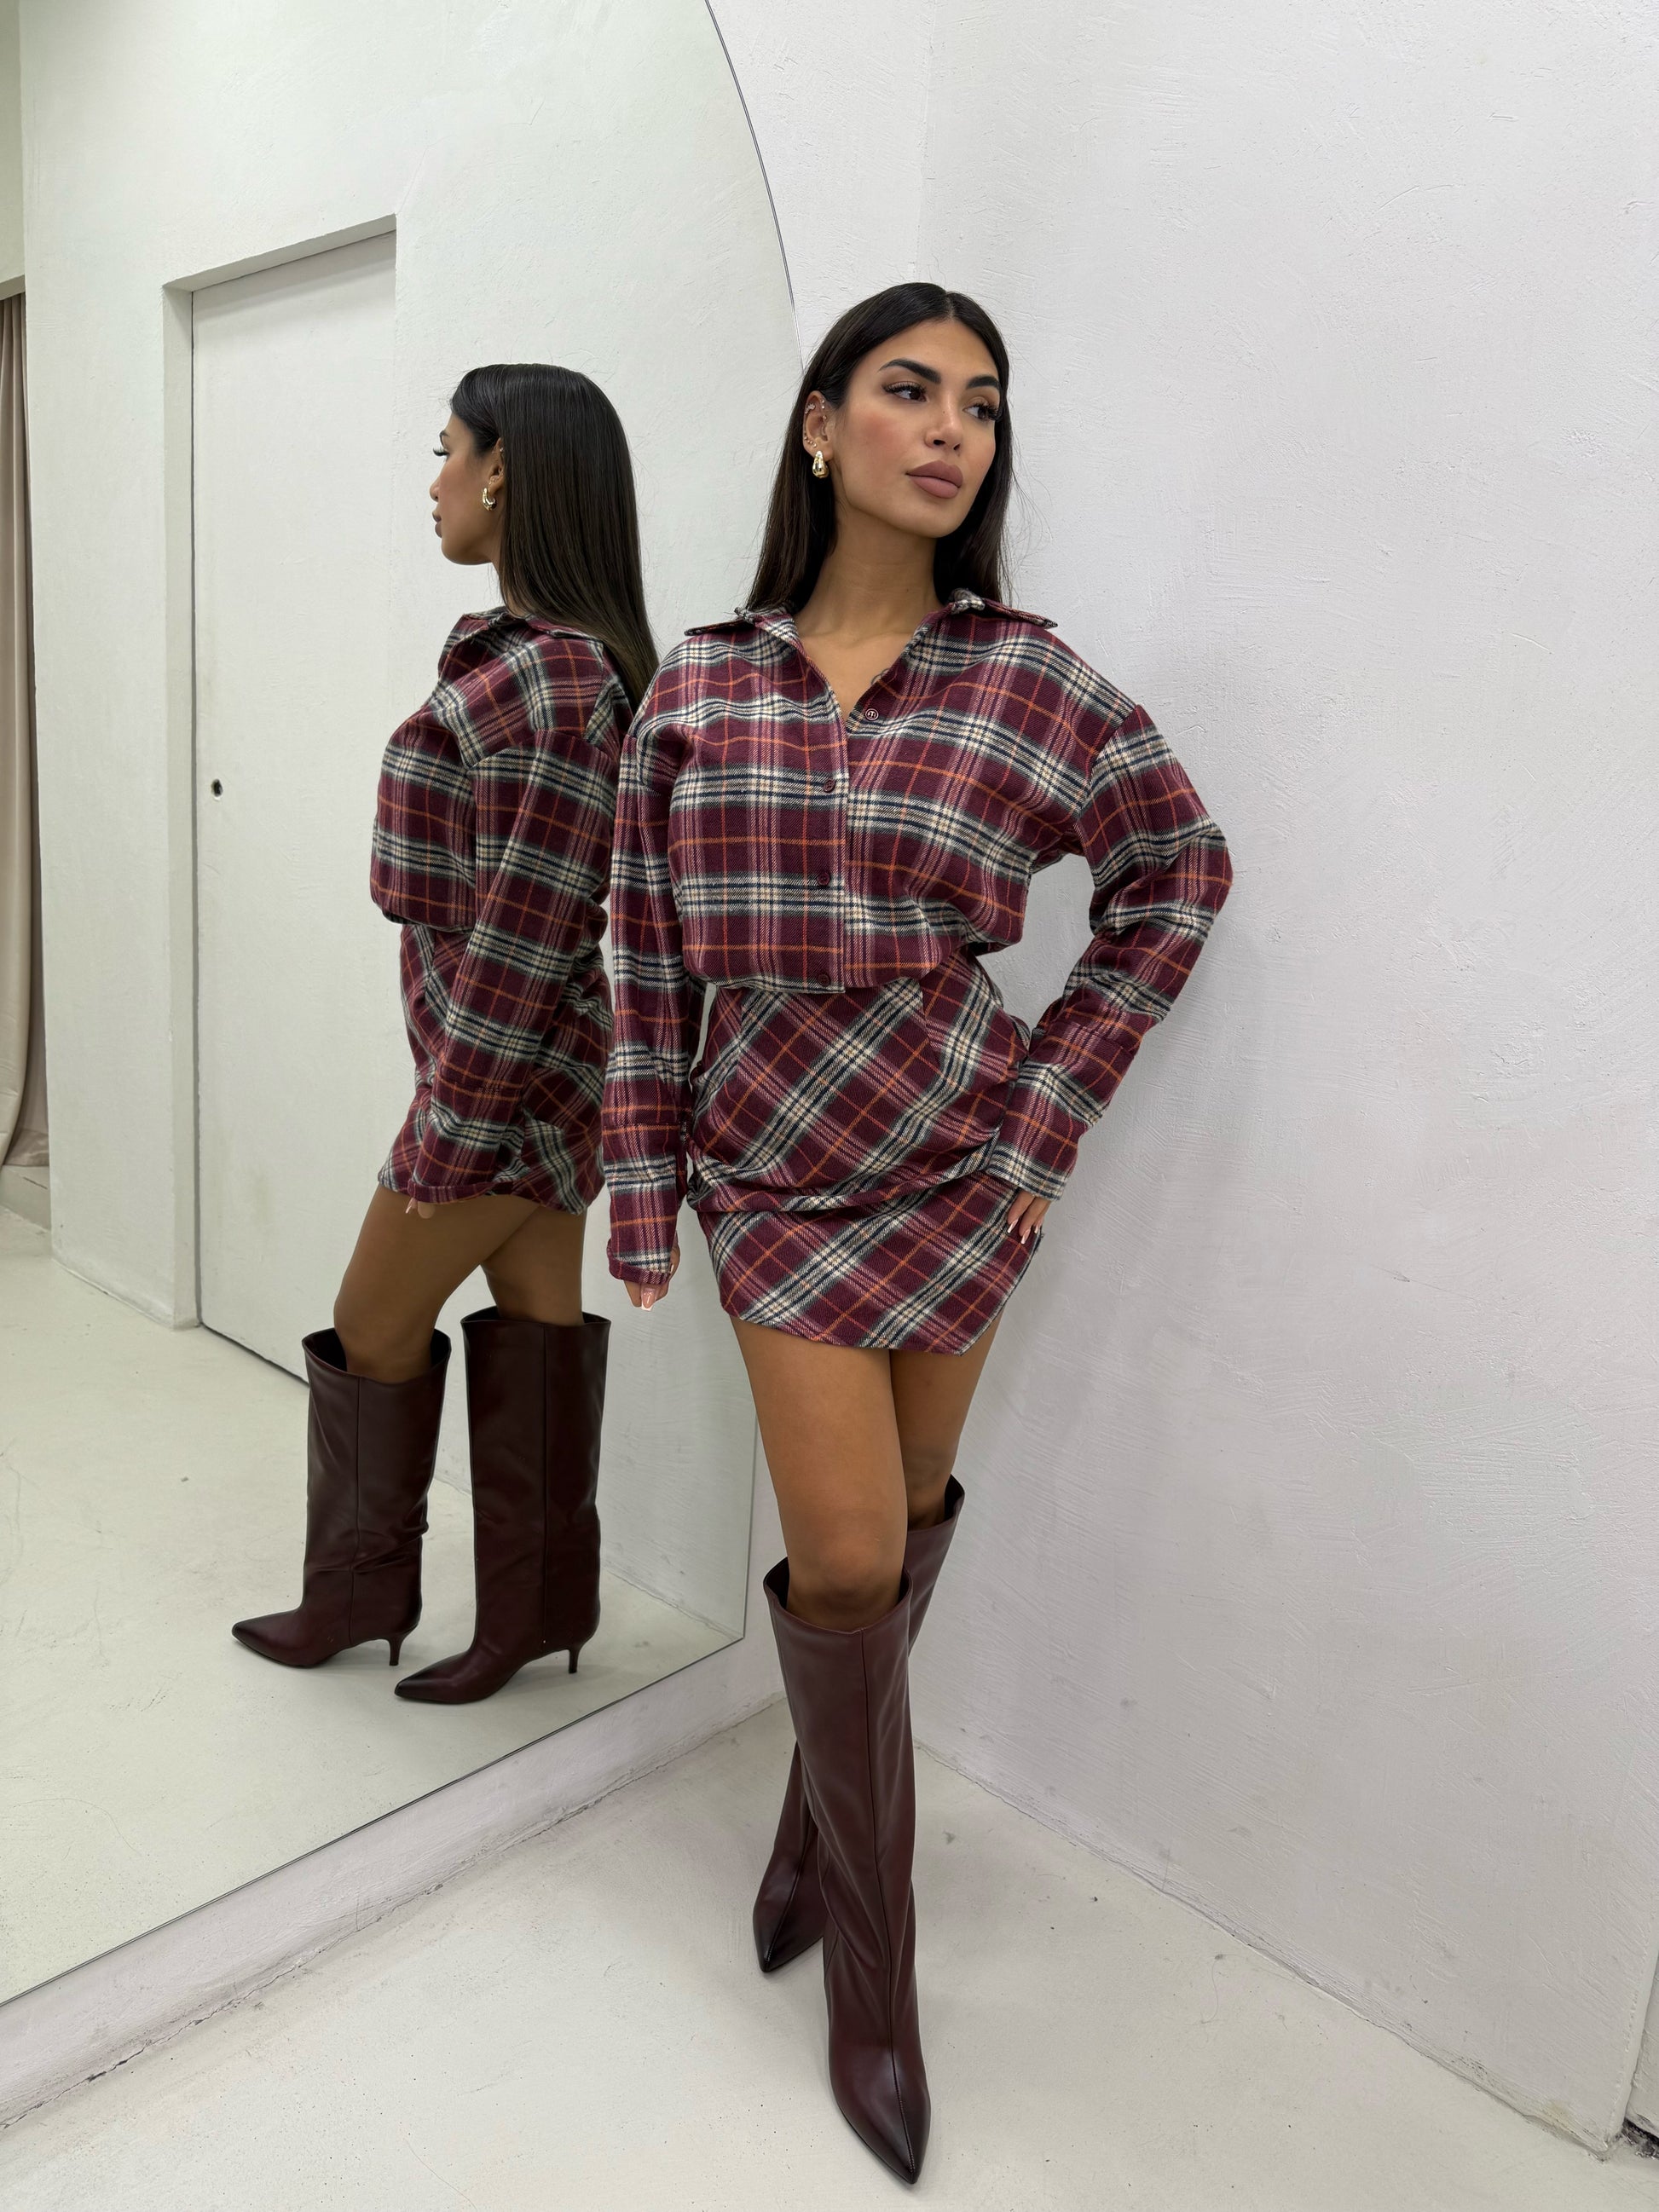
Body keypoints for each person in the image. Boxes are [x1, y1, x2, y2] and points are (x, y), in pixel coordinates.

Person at [601, 283, 1234, 2180]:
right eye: (907, 389)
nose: (951, 427)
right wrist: (645, 1176)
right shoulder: (700, 685)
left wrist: (1045, 1112)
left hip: (961, 1157)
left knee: (911, 1517)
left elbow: (1175, 871)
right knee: (854, 1554)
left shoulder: (1025, 680)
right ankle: (877, 2001)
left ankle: (818, 1835)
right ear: (819, 427)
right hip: (772, 1170)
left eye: (981, 402)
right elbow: (643, 956)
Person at [233, 363, 655, 1706]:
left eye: (446, 451)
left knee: (372, 1320)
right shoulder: (535, 662)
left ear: (504, 470)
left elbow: (529, 933)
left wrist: (447, 1134)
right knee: (535, 1327)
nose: (433, 483)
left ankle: (362, 1596)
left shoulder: (553, 679)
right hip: (524, 1070)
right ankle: (535, 1612)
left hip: (506, 1080)